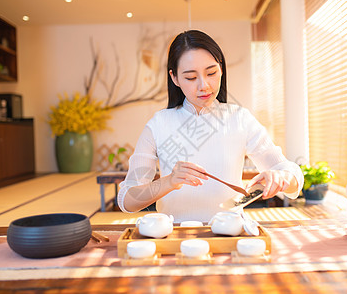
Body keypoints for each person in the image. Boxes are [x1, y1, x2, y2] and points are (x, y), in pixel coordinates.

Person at [118, 30, 303, 222]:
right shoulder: (158, 124)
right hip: (172, 238)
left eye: (211, 72)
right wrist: (169, 182)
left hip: (230, 234)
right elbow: (127, 200)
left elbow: (293, 176)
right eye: (191, 77)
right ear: (174, 78)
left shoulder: (239, 118)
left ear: (221, 69)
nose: (204, 85)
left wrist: (282, 177)